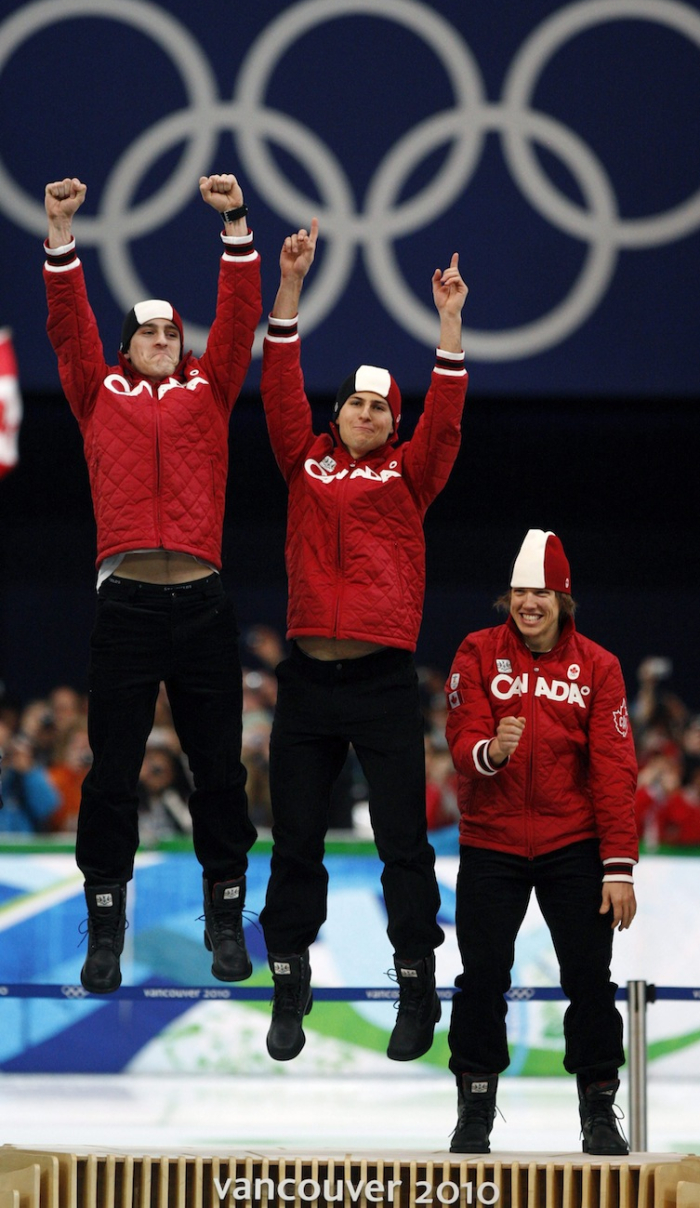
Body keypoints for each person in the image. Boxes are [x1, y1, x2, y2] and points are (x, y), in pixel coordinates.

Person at [43, 173, 261, 993]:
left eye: (174, 332)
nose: (165, 339)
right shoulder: (96, 393)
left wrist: (236, 222)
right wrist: (62, 237)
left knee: (221, 772)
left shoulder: (212, 389)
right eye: (150, 333)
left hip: (202, 603)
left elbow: (240, 317)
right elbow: (69, 327)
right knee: (111, 773)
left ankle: (225, 917)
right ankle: (106, 927)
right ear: (127, 347)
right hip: (128, 603)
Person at [258, 217, 468, 1062]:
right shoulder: (301, 461)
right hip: (307, 680)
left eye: (384, 407)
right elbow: (278, 383)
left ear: (393, 422)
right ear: (336, 412)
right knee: (295, 840)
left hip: (382, 681)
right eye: (358, 403)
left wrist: (449, 324)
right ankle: (288, 980)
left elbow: (445, 423)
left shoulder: (411, 474)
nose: (370, 414)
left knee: (402, 845)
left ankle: (416, 986)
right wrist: (291, 286)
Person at [444, 529, 638, 1155]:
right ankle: (474, 1110)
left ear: (564, 599)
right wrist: (492, 751)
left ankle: (599, 1111)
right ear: (508, 597)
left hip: (573, 843)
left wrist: (619, 867)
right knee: (481, 978)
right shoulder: (475, 651)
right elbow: (461, 738)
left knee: (589, 977)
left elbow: (614, 768)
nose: (531, 603)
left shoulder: (600, 667)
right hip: (491, 841)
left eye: (544, 592)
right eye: (522, 591)